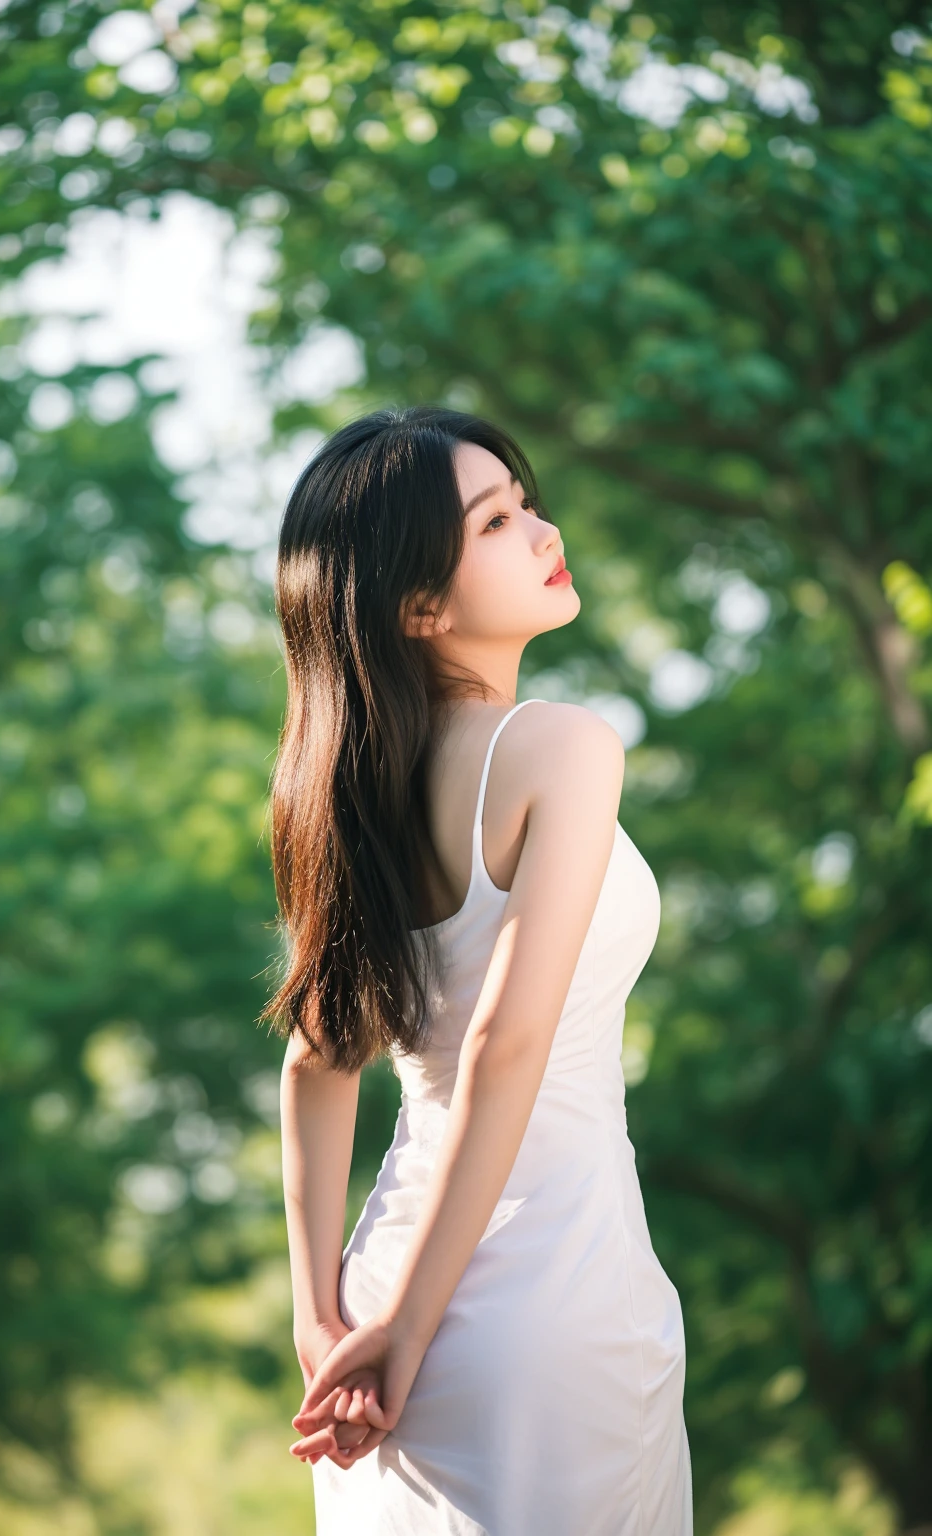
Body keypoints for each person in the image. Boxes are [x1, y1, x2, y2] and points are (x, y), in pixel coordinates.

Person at [264, 404, 692, 1534]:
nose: (544, 529)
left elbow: (318, 1060)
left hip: (379, 1297)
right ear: (418, 604)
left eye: (524, 500)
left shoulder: (350, 798)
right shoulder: (560, 746)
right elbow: (508, 1045)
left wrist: (326, 1318)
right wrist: (403, 1325)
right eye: (497, 520)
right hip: (547, 1291)